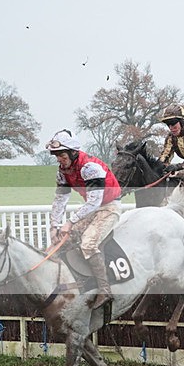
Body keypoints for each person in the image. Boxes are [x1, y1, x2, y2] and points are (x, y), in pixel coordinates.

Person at [47, 130, 122, 309]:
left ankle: (105, 290)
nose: (59, 159)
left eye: (62, 155)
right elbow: (60, 200)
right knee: (63, 240)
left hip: (109, 207)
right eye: (57, 156)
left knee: (88, 243)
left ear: (73, 153)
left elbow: (94, 202)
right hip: (92, 209)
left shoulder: (90, 167)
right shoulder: (63, 172)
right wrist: (54, 226)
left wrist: (70, 222)